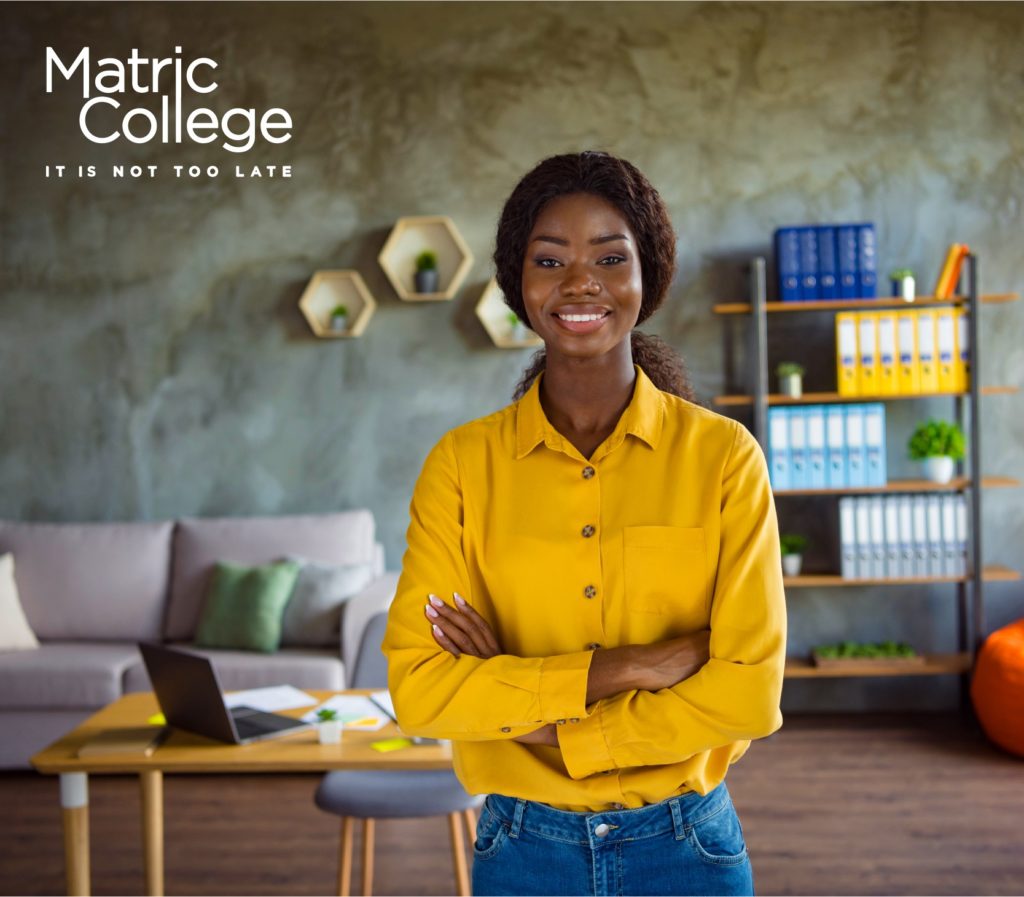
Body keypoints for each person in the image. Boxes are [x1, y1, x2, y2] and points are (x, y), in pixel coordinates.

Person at [382, 150, 787, 897]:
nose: (580, 282)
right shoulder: (462, 466)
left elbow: (750, 693)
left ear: (647, 275)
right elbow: (422, 689)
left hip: (687, 845)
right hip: (522, 849)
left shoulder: (724, 459)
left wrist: (527, 703)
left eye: (609, 255)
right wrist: (622, 668)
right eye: (550, 258)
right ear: (519, 281)